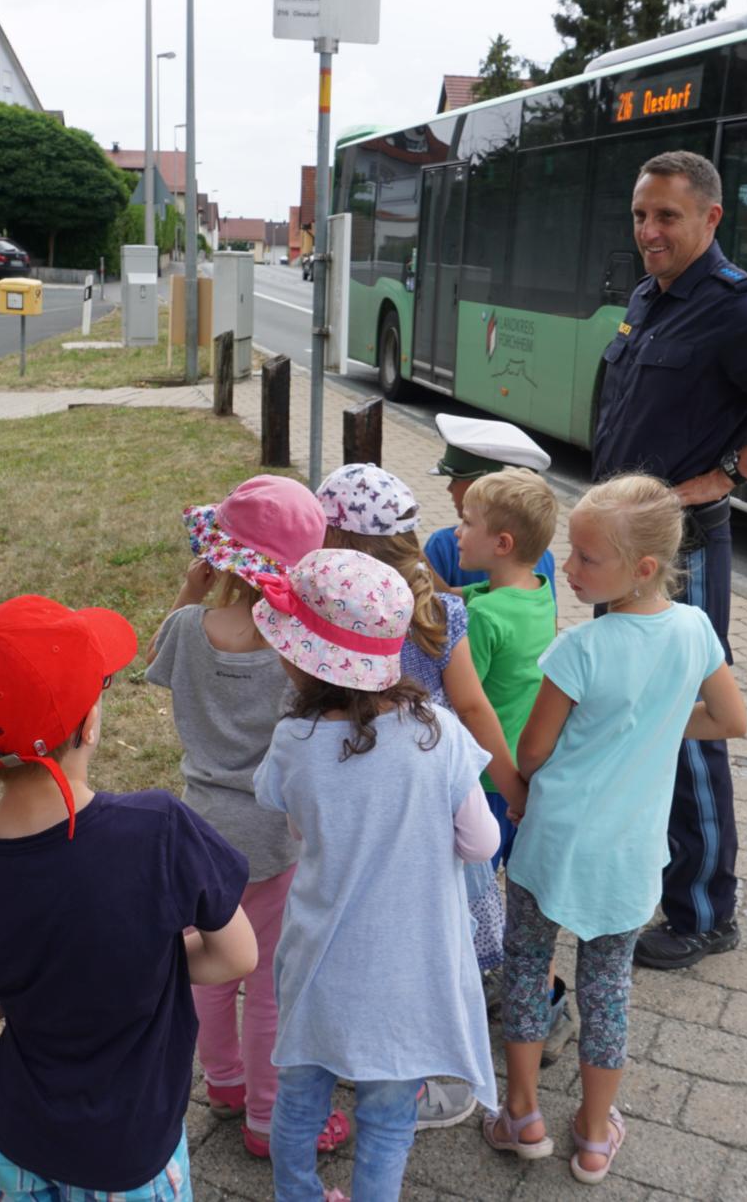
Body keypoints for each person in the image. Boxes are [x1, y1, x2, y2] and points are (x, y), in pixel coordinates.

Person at [0, 595, 258, 1201]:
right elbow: (236, 956)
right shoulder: (159, 829)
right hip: (132, 1159)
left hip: (16, 1149)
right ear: (90, 723)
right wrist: (150, 961)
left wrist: (13, 988)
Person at [589, 149, 747, 972]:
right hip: (623, 550)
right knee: (633, 714)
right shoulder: (648, 299)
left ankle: (703, 912)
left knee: (685, 721)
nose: (649, 230)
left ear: (710, 218)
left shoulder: (742, 310)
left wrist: (727, 475)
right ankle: (645, 879)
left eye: (666, 215)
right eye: (640, 214)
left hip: (679, 552)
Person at [485, 476, 747, 1184]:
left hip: (553, 843)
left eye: (586, 559)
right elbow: (731, 719)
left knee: (526, 966)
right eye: (570, 554)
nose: (567, 569)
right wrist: (660, 729)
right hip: (630, 857)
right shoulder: (695, 629)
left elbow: (535, 751)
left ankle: (522, 1113)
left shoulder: (583, 648)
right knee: (607, 989)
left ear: (641, 568)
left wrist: (518, 785)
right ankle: (596, 1135)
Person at [252, 549, 501, 1202]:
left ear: (305, 659)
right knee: (388, 1120)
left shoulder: (293, 742)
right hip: (407, 976)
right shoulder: (438, 735)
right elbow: (481, 841)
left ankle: (298, 1193)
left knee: (298, 1102)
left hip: (316, 965)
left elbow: (300, 830)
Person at [313, 463, 537, 1134]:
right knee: (439, 936)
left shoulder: (332, 607)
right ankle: (433, 1067)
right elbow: (471, 705)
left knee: (368, 924)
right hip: (435, 800)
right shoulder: (441, 610)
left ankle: (392, 1056)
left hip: (361, 796)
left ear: (338, 539)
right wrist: (510, 784)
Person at [147, 475, 351, 1161]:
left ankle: (225, 1081)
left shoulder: (184, 628)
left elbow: (156, 664)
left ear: (220, 559)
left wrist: (190, 591)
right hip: (273, 834)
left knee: (209, 966)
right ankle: (267, 1119)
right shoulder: (296, 652)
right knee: (268, 984)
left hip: (198, 830)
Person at [450, 467, 560, 865]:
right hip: (525, 766)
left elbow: (463, 703)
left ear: (502, 543)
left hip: (486, 776)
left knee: (473, 882)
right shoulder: (539, 594)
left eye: (466, 522)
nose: (456, 532)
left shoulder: (484, 615)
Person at [422, 413, 556, 595]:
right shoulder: (542, 555)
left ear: (481, 485)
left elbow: (428, 611)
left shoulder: (444, 544)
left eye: (455, 479)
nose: (449, 488)